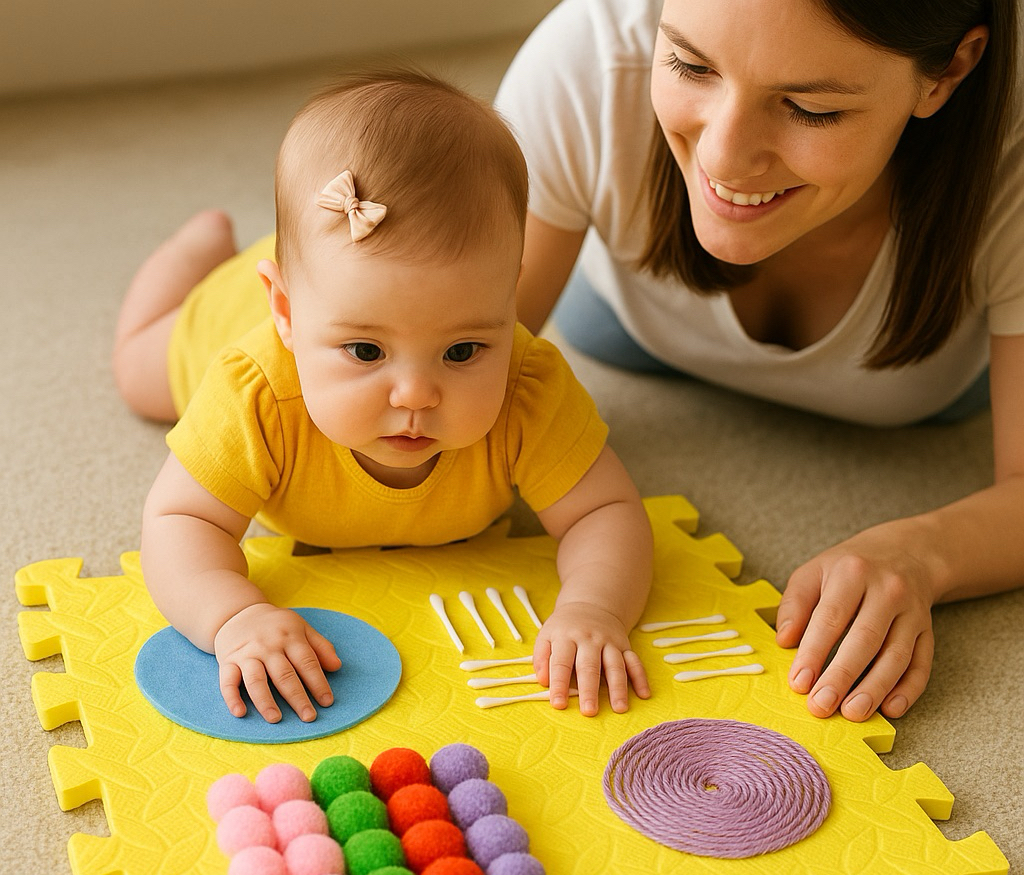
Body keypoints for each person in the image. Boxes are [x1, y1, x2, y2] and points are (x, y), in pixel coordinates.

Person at [494, 0, 1024, 723]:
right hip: (625, 321)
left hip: (924, 387)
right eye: (688, 65)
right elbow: (441, 361)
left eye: (809, 108)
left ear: (948, 72)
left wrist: (924, 552)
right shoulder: (589, 54)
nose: (721, 158)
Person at [111, 68, 653, 724]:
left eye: (462, 351)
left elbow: (607, 513)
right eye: (367, 352)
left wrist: (593, 608)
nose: (417, 393)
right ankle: (196, 248)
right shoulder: (254, 393)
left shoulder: (529, 389)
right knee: (136, 373)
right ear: (285, 308)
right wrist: (233, 615)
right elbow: (180, 521)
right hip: (227, 313)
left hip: (329, 282)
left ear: (508, 300)